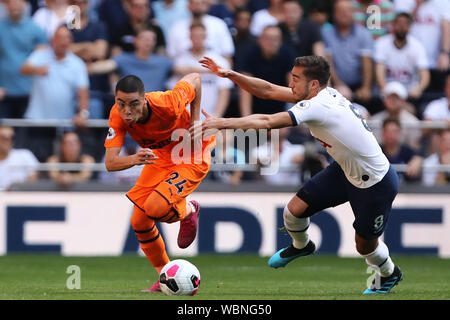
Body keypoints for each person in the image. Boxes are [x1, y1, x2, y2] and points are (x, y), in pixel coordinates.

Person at [198, 55, 402, 294]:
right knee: (293, 211)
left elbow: (268, 121)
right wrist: (231, 75)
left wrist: (221, 123)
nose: (290, 83)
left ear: (313, 84)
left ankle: (389, 273)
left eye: (295, 78)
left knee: (365, 246)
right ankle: (302, 246)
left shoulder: (318, 106)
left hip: (375, 183)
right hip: (344, 169)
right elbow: (268, 90)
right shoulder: (320, 95)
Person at [104, 73, 214, 292]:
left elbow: (195, 78)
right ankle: (165, 276)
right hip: (162, 156)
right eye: (121, 103)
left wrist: (195, 120)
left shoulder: (168, 103)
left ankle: (189, 210)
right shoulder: (117, 115)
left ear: (144, 99)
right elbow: (111, 163)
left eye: (134, 104)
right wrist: (134, 159)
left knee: (154, 207)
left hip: (193, 153)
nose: (127, 111)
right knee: (139, 222)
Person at [168, 22, 233, 119]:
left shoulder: (218, 60)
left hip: (210, 116)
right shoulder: (181, 59)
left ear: (205, 36)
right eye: (194, 36)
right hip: (183, 117)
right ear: (190, 37)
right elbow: (176, 77)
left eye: (200, 36)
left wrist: (217, 116)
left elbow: (224, 90)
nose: (197, 39)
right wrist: (211, 70)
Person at [0, 0, 47, 119]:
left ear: (24, 4)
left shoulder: (35, 29)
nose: (14, 5)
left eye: (17, 2)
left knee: (24, 133)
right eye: (11, 2)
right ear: (6, 5)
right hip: (4, 92)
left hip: (29, 91)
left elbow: (44, 56)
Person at [322, 0, 373, 104]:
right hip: (334, 84)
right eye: (341, 11)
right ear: (334, 14)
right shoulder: (326, 33)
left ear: (354, 13)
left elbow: (366, 62)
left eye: (348, 10)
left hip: (358, 84)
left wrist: (365, 87)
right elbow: (328, 62)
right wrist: (338, 84)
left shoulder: (363, 33)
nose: (345, 14)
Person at [239, 25, 295, 116]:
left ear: (280, 41)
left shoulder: (288, 55)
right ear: (260, 40)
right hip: (256, 111)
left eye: (275, 39)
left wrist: (288, 120)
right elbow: (245, 88)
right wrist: (247, 119)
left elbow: (293, 89)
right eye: (267, 38)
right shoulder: (250, 55)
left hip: (280, 110)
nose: (271, 42)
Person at [374, 12, 430, 102]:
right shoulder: (382, 43)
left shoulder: (417, 46)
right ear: (393, 25)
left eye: (405, 23)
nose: (402, 26)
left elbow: (425, 74)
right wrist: (386, 90)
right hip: (386, 93)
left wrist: (419, 88)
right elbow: (379, 70)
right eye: (399, 23)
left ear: (410, 26)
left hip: (408, 94)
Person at [69, 0, 110, 119]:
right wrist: (88, 46)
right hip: (70, 89)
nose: (80, 6)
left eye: (83, 3)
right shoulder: (66, 27)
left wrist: (75, 50)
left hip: (94, 88)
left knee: (92, 128)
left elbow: (100, 52)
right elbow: (64, 51)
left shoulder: (97, 26)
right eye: (77, 3)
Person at [166, 0, 235, 63]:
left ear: (208, 5)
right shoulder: (177, 27)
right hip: (184, 70)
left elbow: (227, 55)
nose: (198, 5)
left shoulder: (219, 24)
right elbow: (171, 56)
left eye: (202, 2)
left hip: (214, 71)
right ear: (188, 6)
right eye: (194, 3)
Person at [370, 81, 421, 151]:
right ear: (384, 100)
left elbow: (414, 148)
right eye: (390, 98)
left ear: (403, 101)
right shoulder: (374, 120)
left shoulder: (413, 122)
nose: (393, 101)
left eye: (397, 98)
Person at [380, 118, 423, 183]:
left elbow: (418, 157)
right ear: (383, 133)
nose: (391, 135)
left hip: (405, 189)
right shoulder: (377, 152)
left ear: (400, 133)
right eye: (388, 131)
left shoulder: (407, 151)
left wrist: (418, 160)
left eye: (394, 131)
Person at [0, 125, 39, 191]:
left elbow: (33, 181)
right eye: (4, 138)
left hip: (20, 198)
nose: (8, 141)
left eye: (12, 137)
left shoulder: (25, 155)